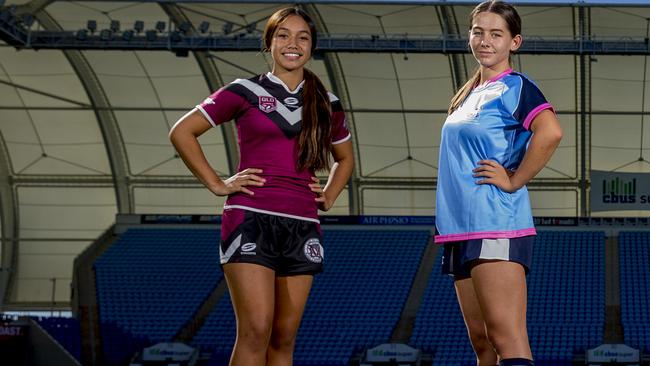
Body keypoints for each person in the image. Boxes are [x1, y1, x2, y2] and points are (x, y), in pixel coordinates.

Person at [169, 7, 354, 365]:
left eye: (303, 37)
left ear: (312, 47)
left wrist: (329, 195)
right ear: (269, 42)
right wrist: (218, 183)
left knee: (283, 338)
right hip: (250, 217)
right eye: (283, 35)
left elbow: (345, 159)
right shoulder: (243, 91)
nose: (293, 44)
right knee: (256, 330)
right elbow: (182, 131)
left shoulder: (325, 102)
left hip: (302, 223)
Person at [434, 1, 563, 365]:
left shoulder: (516, 86)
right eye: (478, 32)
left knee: (507, 338)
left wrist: (514, 179)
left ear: (514, 42)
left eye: (496, 34)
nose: (485, 41)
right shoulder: (468, 93)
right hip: (459, 229)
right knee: (483, 343)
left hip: (496, 224)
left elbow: (550, 132)